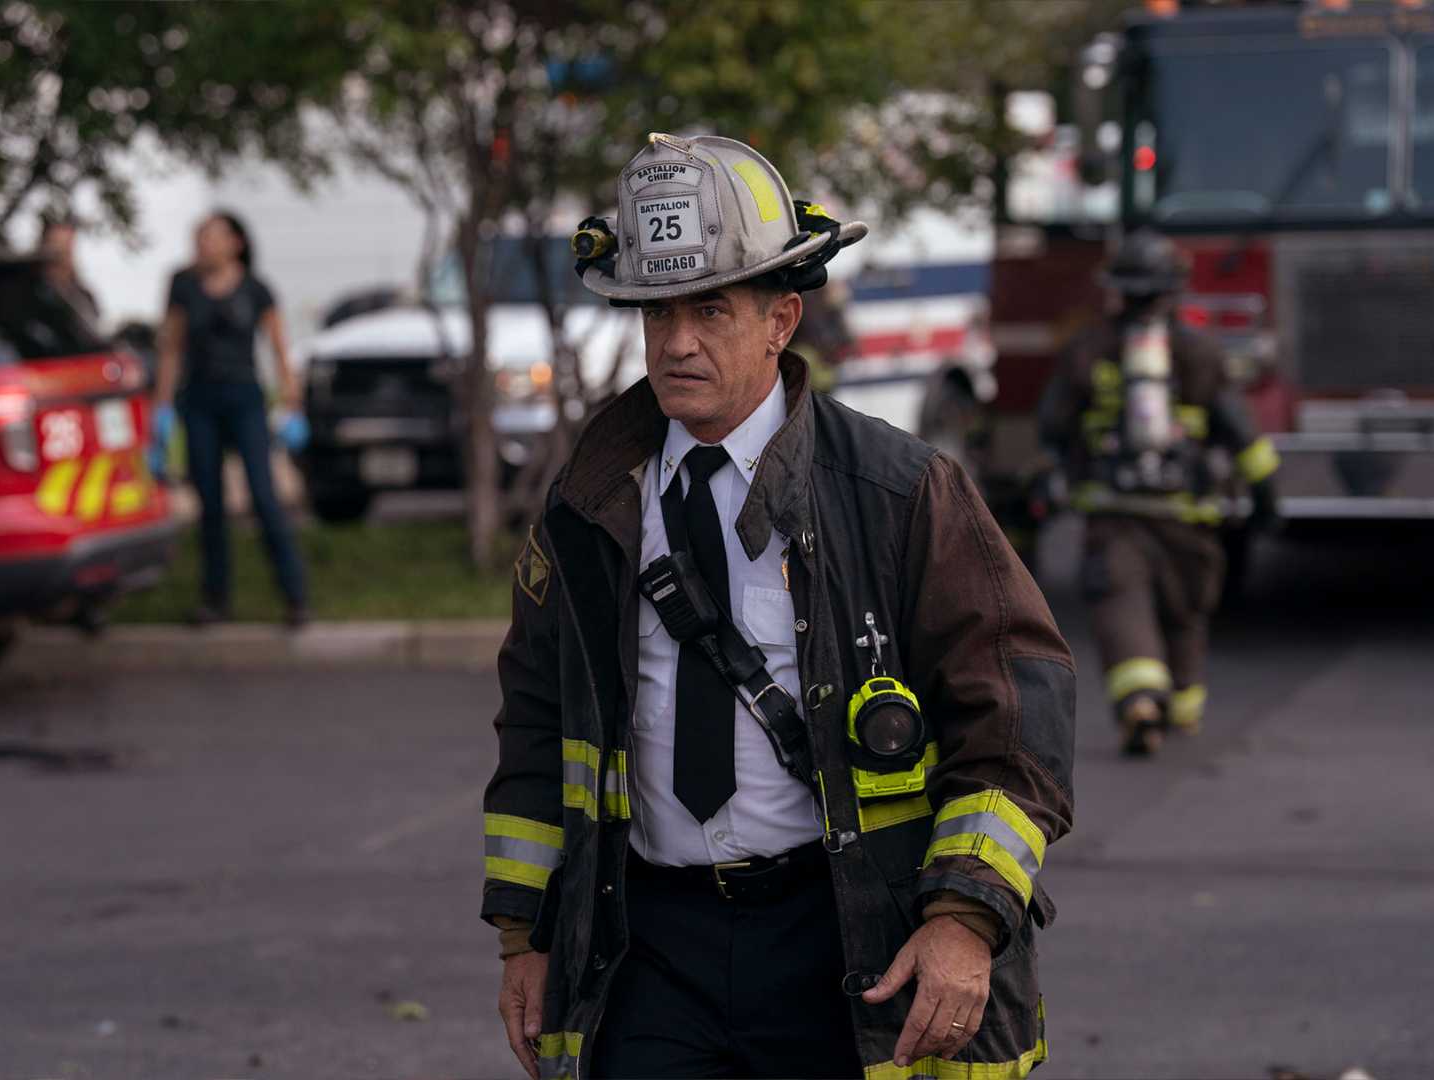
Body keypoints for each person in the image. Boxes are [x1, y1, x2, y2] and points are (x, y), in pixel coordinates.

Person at [483, 132, 1075, 1080]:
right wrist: (524, 937)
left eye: (710, 309)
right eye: (655, 311)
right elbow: (537, 723)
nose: (675, 343)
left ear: (781, 319)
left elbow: (1015, 714)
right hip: (647, 944)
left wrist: (963, 920)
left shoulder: (897, 490)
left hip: (842, 937)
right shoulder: (589, 505)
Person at [1039, 229, 1280, 755]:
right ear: (1175, 290)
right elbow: (1238, 428)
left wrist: (1054, 477)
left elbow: (1052, 426)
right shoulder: (1200, 351)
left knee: (1121, 604)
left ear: (1118, 289)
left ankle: (1140, 701)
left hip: (1111, 512)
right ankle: (1183, 704)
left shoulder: (1086, 348)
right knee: (1184, 613)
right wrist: (1265, 493)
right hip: (1187, 516)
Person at [152, 211, 309, 628]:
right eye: (199, 236)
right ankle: (215, 599)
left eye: (211, 237)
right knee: (210, 503)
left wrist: (291, 403)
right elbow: (170, 348)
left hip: (245, 400)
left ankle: (295, 596)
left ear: (235, 243)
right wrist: (162, 409)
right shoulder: (183, 286)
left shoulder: (257, 289)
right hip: (198, 402)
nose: (203, 244)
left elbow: (279, 350)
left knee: (263, 495)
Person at [37, 214, 101, 329]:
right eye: (55, 245)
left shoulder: (83, 297)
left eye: (68, 249)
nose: (62, 255)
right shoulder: (32, 290)